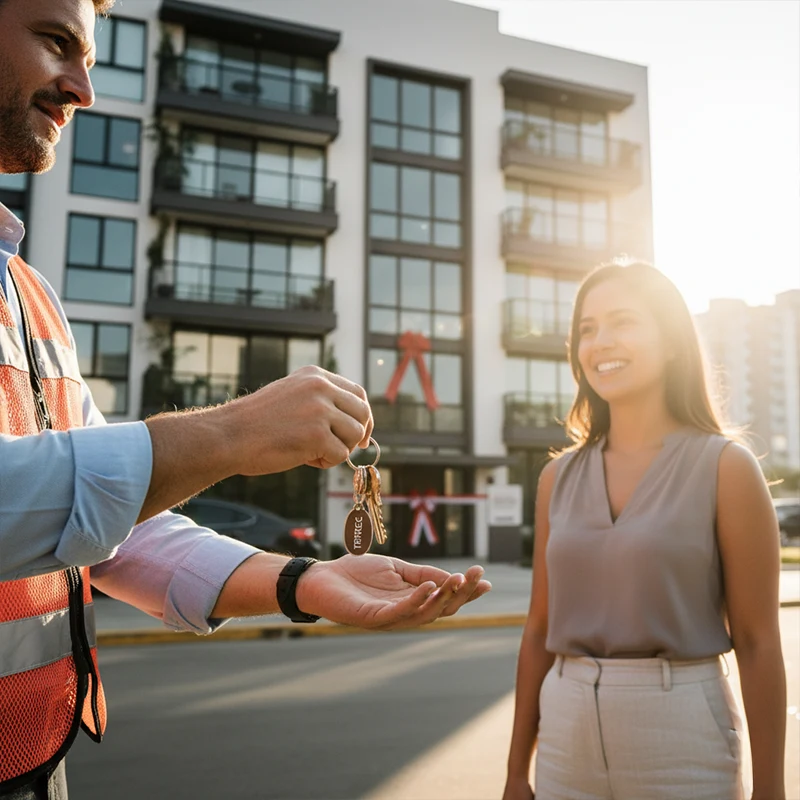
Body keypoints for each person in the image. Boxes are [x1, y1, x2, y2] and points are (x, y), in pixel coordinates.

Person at [0, 0, 492, 797]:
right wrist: (227, 434)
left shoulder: (30, 294)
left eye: (88, 54)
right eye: (57, 42)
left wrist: (302, 581)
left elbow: (108, 529)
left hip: (36, 767)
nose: (83, 87)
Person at [502, 261, 786, 800]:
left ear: (673, 341)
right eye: (587, 328)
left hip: (683, 739)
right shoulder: (556, 477)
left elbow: (757, 640)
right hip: (566, 738)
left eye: (623, 321)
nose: (601, 341)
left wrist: (772, 789)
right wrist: (518, 771)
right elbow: (538, 629)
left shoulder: (726, 468)